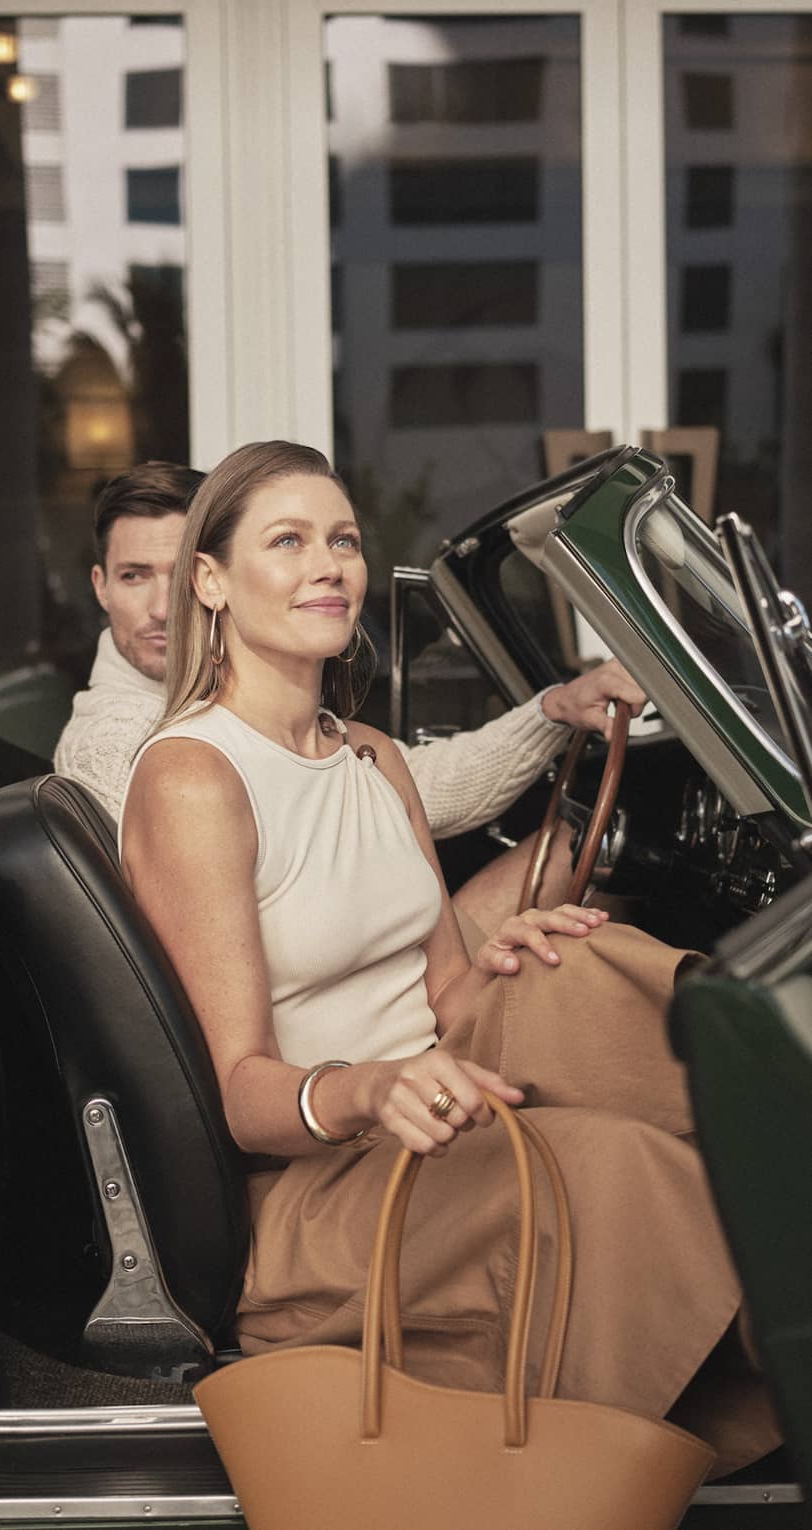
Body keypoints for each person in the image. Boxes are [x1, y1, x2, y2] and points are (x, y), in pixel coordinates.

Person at [118, 440, 775, 1475]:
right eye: (287, 541)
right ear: (211, 579)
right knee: (620, 1167)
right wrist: (374, 1087)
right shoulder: (195, 778)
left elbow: (445, 992)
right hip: (319, 1188)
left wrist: (500, 954)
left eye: (342, 539)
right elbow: (234, 1091)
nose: (329, 565)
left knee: (588, 967)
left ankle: (782, 1114)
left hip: (439, 1092)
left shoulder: (370, 754)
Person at [54, 461, 646, 935]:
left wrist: (553, 710)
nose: (163, 607)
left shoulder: (281, 720)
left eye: (176, 572)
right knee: (592, 861)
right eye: (135, 576)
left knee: (590, 860)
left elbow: (414, 787)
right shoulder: (118, 748)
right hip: (313, 1041)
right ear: (101, 587)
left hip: (382, 995)